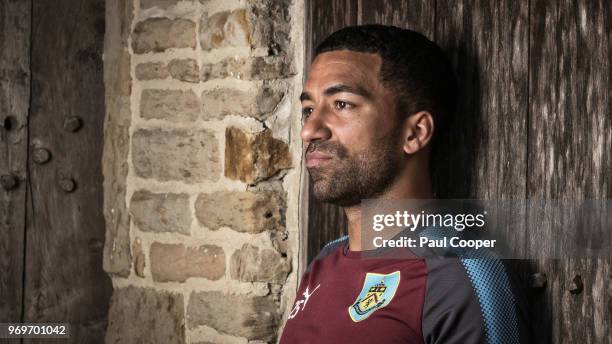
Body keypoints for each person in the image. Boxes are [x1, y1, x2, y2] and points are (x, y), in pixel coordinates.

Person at [279, 25, 529, 343]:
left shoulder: (463, 275)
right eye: (308, 110)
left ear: (415, 133)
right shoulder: (325, 260)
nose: (309, 130)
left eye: (341, 104)